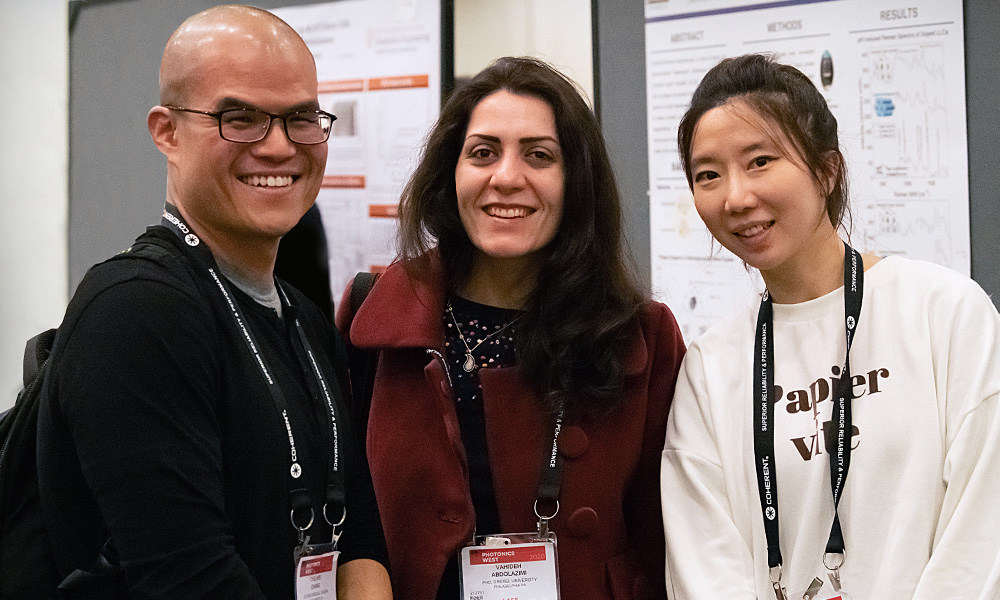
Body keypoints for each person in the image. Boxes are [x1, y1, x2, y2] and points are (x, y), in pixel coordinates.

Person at [35, 6, 391, 599]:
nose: (279, 147)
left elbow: (358, 539)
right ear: (166, 132)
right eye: (240, 118)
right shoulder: (133, 314)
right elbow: (188, 579)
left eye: (301, 118)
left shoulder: (303, 320)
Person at [336, 56, 686, 600]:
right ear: (450, 172)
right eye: (483, 153)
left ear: (576, 180)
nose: (506, 178)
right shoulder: (374, 318)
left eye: (539, 156)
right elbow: (348, 519)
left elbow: (665, 541)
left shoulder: (641, 336)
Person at [661, 53, 1000, 600]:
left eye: (760, 161)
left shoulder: (945, 311)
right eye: (708, 175)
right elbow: (703, 563)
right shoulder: (710, 365)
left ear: (827, 169)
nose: (736, 197)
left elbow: (985, 529)